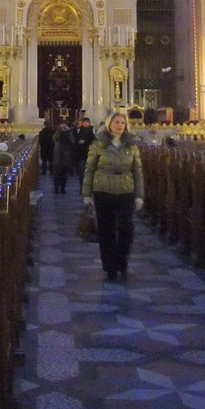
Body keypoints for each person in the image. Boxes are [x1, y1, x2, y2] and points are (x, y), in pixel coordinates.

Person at [81, 109, 144, 282]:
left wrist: (140, 195)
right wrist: (86, 194)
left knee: (126, 229)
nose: (120, 126)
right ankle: (110, 267)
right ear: (109, 124)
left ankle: (122, 260)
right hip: (103, 190)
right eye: (116, 122)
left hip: (125, 189)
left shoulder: (131, 145)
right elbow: (89, 169)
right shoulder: (98, 144)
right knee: (106, 230)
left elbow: (137, 171)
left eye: (122, 123)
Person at [72, 117, 95, 187]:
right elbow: (75, 140)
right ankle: (82, 186)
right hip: (81, 155)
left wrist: (85, 142)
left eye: (87, 122)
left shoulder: (91, 132)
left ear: (89, 123)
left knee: (90, 172)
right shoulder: (79, 131)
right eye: (84, 122)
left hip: (90, 154)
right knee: (82, 172)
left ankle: (89, 186)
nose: (85, 124)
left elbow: (93, 141)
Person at [52, 122, 74, 195]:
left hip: (65, 156)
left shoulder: (68, 134)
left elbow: (72, 141)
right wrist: (59, 130)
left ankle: (62, 188)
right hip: (58, 156)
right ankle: (56, 188)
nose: (63, 128)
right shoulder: (58, 135)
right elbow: (54, 138)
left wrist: (68, 131)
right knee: (57, 174)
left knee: (64, 174)